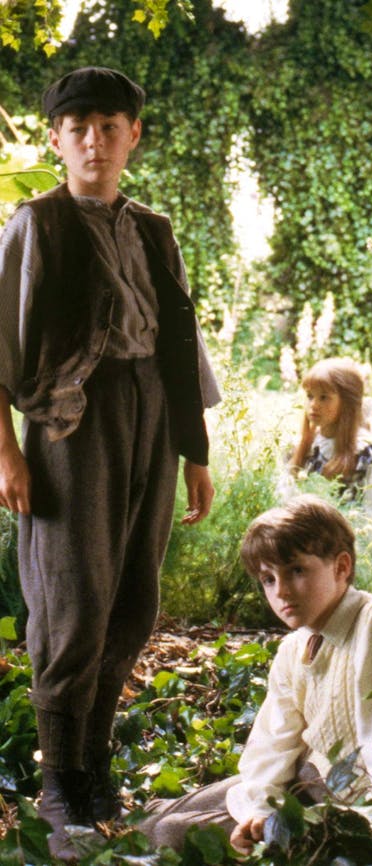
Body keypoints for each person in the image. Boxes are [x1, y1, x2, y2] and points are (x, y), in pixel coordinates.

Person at [0, 66, 220, 861]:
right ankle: (59, 783)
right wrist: (7, 457)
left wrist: (194, 453)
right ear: (55, 137)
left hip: (151, 422)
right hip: (70, 430)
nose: (95, 139)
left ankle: (95, 771)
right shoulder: (36, 225)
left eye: (111, 125)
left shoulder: (154, 229)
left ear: (134, 136)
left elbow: (179, 341)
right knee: (73, 600)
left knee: (131, 598)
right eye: (79, 125)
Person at [138, 494, 372, 855]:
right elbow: (273, 745)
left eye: (296, 570)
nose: (282, 592)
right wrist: (261, 808)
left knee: (169, 832)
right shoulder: (295, 647)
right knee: (145, 822)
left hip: (345, 801)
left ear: (341, 567)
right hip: (299, 776)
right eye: (267, 579)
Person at [289, 357, 372, 533]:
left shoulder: (367, 453)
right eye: (310, 396)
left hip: (352, 550)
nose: (313, 405)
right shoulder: (304, 446)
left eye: (324, 397)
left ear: (347, 403)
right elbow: (286, 501)